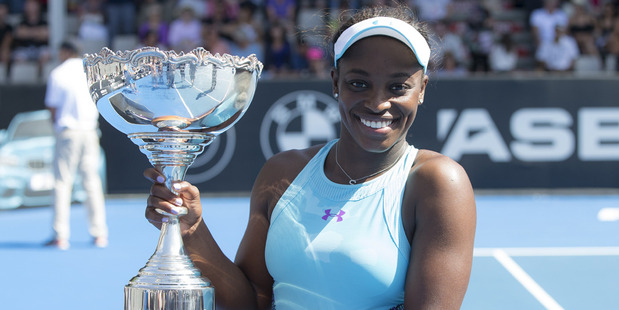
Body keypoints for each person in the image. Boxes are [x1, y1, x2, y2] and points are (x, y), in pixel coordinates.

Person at [144, 4, 476, 309]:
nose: (378, 103)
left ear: (422, 89)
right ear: (335, 82)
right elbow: (252, 301)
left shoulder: (439, 184)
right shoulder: (281, 173)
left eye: (398, 87)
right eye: (359, 83)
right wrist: (192, 230)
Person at [44, 41, 108, 250]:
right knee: (92, 182)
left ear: (65, 52)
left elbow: (53, 108)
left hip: (69, 132)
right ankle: (99, 234)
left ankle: (60, 235)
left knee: (62, 183)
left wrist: (58, 127)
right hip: (89, 131)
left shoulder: (58, 73)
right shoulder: (89, 72)